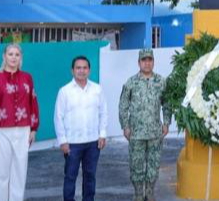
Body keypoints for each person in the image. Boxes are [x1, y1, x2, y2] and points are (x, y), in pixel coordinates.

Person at [0, 43, 40, 201]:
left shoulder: (27, 77)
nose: (13, 57)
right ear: (4, 56)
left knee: (19, 172)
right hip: (0, 131)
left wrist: (33, 129)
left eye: (17, 55)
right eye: (10, 54)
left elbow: (33, 101)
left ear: (21, 58)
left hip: (23, 130)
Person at [118, 49, 171, 201]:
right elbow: (123, 105)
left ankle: (150, 192)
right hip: (136, 133)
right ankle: (138, 194)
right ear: (139, 62)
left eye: (150, 60)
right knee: (136, 165)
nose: (147, 63)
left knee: (154, 165)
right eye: (144, 60)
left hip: (155, 132)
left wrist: (166, 123)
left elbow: (167, 104)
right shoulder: (131, 82)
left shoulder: (161, 82)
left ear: (153, 62)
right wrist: (125, 126)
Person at [55, 56, 108, 201]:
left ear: (89, 70)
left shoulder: (97, 89)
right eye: (78, 68)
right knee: (70, 176)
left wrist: (102, 134)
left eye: (84, 68)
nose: (81, 71)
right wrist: (63, 141)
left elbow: (103, 113)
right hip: (72, 143)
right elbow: (58, 117)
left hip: (93, 142)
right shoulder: (64, 91)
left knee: (90, 176)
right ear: (72, 70)